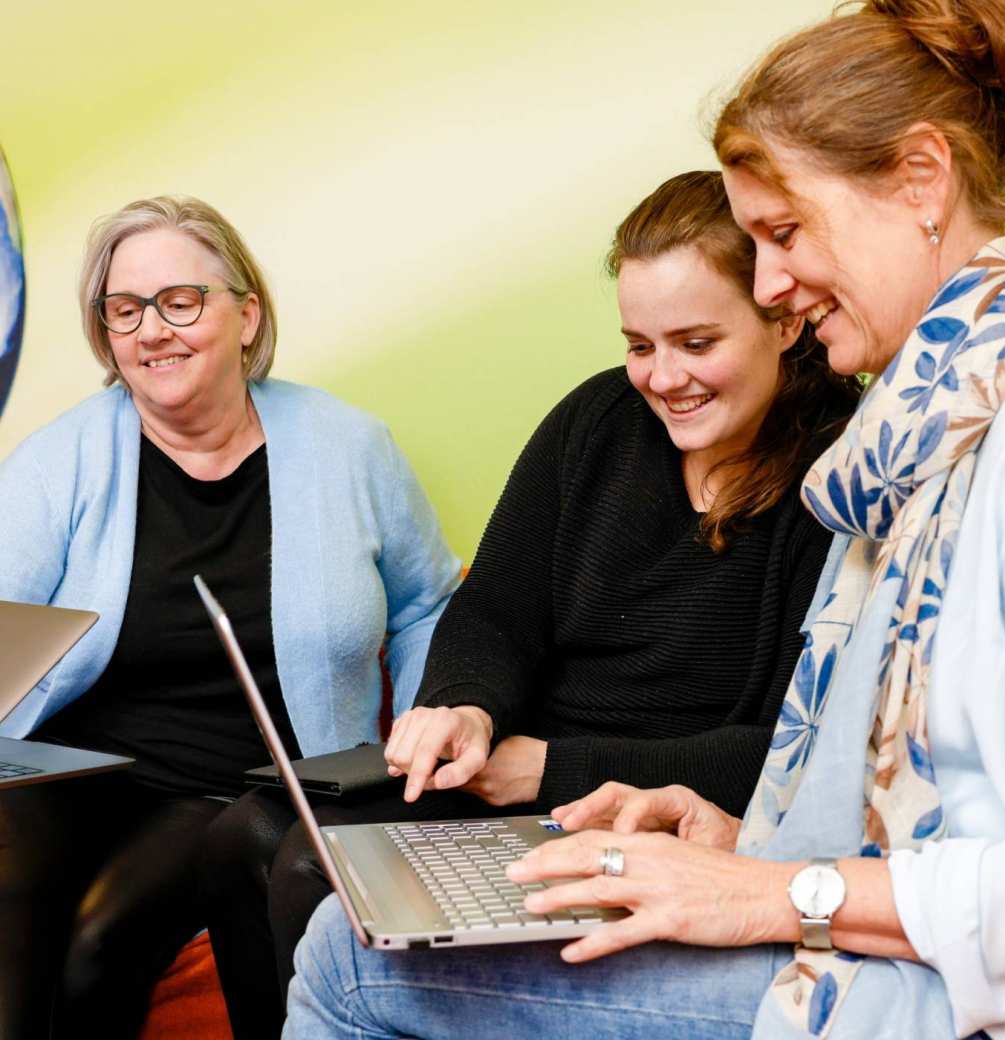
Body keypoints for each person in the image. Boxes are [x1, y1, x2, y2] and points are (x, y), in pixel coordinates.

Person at [283, 1, 1005, 1038]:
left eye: (783, 232)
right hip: (869, 941)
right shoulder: (921, 442)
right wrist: (729, 837)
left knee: (347, 958)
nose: (773, 281)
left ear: (919, 178)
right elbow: (496, 608)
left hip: (923, 993)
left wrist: (775, 892)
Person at [204, 170, 860, 1037]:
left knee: (306, 871)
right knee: (246, 837)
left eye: (697, 343)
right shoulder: (596, 422)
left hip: (646, 808)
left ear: (783, 319)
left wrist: (549, 769)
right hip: (514, 775)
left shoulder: (841, 478)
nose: (663, 378)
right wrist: (462, 707)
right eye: (640, 345)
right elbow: (494, 612)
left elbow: (790, 751)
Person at [0, 195, 459, 1039]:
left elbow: (429, 602)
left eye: (180, 302)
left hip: (219, 790)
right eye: (125, 309)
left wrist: (428, 731)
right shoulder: (59, 460)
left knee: (100, 944)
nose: (151, 330)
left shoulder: (349, 447)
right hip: (72, 771)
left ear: (246, 315)